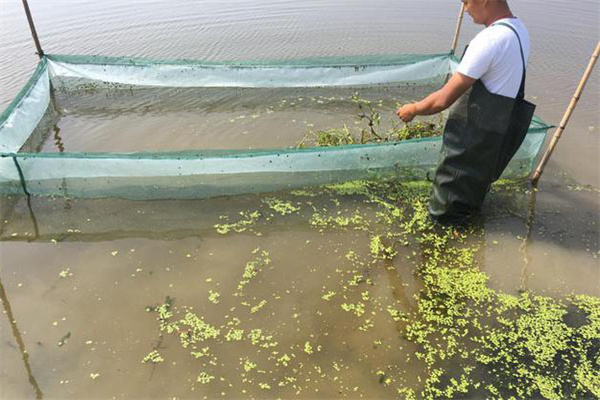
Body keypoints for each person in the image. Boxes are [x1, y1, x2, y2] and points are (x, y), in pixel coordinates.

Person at [397, 0, 535, 225]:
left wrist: (413, 109)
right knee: (471, 195)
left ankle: (445, 238)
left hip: (473, 139)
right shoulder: (519, 31)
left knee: (445, 211)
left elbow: (443, 99)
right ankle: (469, 237)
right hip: (498, 134)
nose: (465, 8)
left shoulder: (490, 40)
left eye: (466, 1)